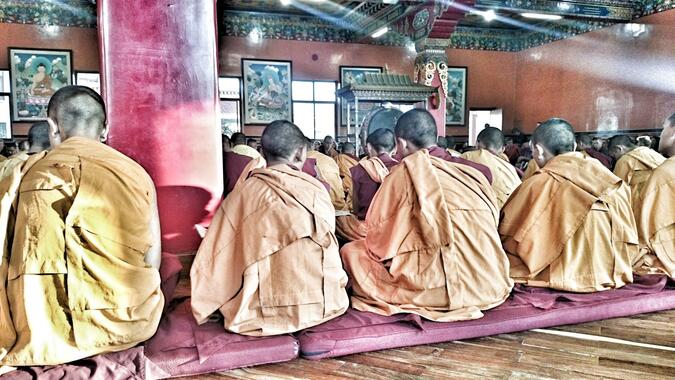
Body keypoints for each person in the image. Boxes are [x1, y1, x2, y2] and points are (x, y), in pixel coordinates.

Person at [0, 86, 163, 365]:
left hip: (45, 333)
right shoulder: (135, 173)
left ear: (52, 126)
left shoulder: (25, 175)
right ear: (105, 128)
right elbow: (153, 259)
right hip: (127, 324)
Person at [341, 109, 512, 322]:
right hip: (487, 279)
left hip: (433, 287)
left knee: (351, 251)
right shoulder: (476, 172)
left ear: (401, 144)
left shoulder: (401, 174)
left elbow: (379, 240)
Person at [191, 120, 348, 336]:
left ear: (262, 154)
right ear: (301, 153)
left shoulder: (242, 193)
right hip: (323, 304)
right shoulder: (316, 190)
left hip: (262, 312)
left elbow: (218, 253)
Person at [500, 118, 636, 292]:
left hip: (561, 273)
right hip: (611, 270)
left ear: (538, 150)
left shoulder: (538, 184)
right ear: (573, 146)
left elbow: (508, 232)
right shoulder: (612, 181)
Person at [632, 113, 675, 278]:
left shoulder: (666, 173)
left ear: (673, 133)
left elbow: (644, 227)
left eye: (664, 129)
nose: (660, 135)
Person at [461, 127, 521, 208]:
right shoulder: (510, 167)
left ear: (477, 143)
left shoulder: (468, 157)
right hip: (514, 212)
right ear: (503, 149)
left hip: (485, 213)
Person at [351, 128, 398, 220]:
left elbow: (355, 207)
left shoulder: (358, 170)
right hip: (396, 227)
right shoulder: (402, 168)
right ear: (395, 148)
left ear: (369, 147)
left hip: (366, 227)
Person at [608, 134, 665, 208]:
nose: (615, 159)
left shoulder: (625, 160)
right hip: (663, 199)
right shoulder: (651, 152)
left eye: (614, 156)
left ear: (618, 149)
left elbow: (616, 191)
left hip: (643, 205)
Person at [335, 142, 359, 209]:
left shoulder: (337, 158)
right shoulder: (357, 161)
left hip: (340, 189)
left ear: (341, 151)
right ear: (353, 151)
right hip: (353, 189)